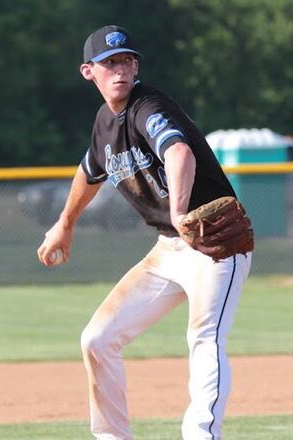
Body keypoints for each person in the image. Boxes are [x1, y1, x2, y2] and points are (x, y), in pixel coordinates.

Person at [36, 25, 252, 440]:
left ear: (136, 66)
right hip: (169, 249)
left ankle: (202, 435)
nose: (121, 69)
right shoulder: (104, 123)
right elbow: (89, 172)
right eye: (110, 62)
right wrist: (65, 224)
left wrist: (177, 212)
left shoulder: (147, 107)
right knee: (97, 338)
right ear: (88, 72)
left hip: (211, 243)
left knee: (205, 338)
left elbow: (179, 152)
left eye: (127, 60)